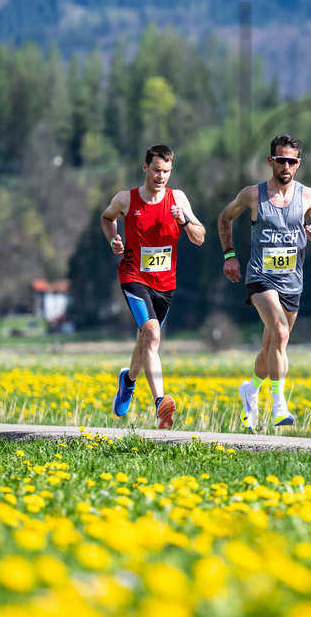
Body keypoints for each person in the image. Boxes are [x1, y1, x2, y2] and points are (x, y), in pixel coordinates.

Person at [218, 133, 311, 429]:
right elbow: (224, 217)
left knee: (272, 344)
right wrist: (230, 255)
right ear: (271, 161)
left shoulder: (307, 196)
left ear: (298, 164)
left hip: (292, 282)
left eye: (291, 161)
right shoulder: (253, 194)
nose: (285, 166)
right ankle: (279, 408)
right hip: (260, 276)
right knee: (280, 333)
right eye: (280, 160)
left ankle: (250, 390)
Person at [101, 145, 205, 428]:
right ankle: (160, 402)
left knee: (145, 341)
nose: (161, 177)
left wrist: (183, 221)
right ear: (145, 167)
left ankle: (127, 381)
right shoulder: (126, 199)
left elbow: (200, 237)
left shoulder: (178, 199)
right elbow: (107, 218)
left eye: (167, 172)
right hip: (134, 276)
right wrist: (114, 240)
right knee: (152, 332)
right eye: (157, 170)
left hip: (165, 284)